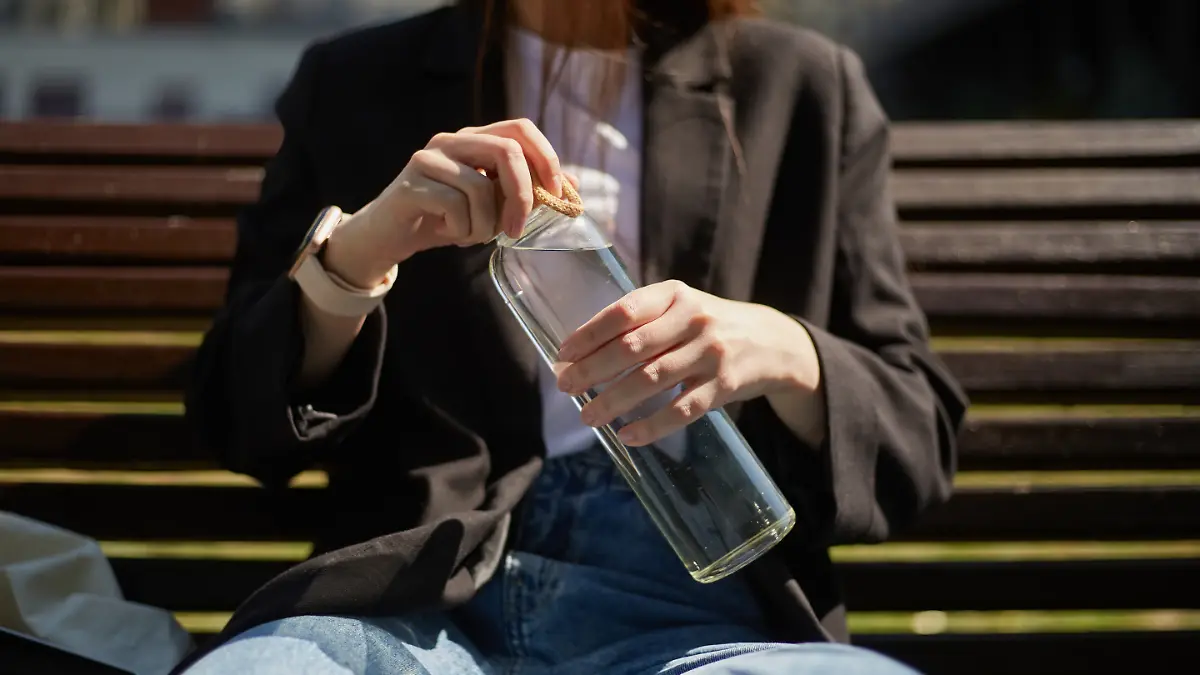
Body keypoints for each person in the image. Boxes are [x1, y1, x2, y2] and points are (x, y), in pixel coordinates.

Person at [178, 0, 968, 673]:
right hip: (406, 603)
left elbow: (916, 434)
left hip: (710, 618)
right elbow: (233, 419)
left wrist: (779, 348)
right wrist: (351, 258)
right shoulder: (358, 81)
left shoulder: (799, 87)